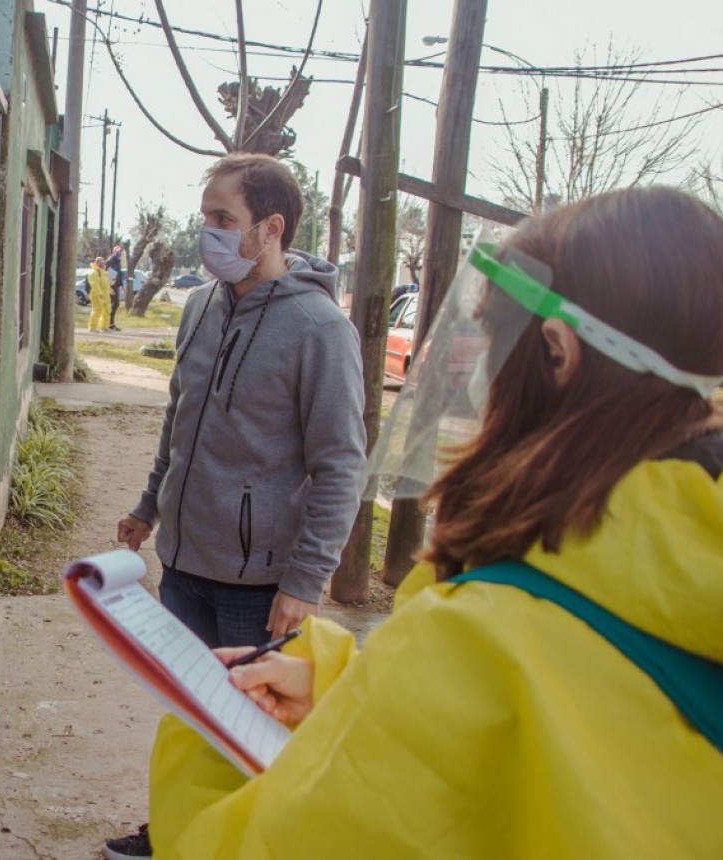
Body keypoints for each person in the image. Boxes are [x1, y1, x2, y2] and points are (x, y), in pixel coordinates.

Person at [107, 186, 723, 859]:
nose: (477, 371)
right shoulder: (667, 573)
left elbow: (240, 847)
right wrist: (355, 689)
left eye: (491, 338)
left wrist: (203, 737)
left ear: (556, 352)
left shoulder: (480, 636)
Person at [117, 153, 366, 648]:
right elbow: (180, 414)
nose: (208, 232)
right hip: (181, 569)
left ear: (272, 228)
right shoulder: (200, 303)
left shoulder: (322, 330)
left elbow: (340, 466)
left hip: (259, 593)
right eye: (206, 218)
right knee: (190, 718)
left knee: (248, 723)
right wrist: (149, 507)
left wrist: (305, 582)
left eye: (224, 220)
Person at [86, 256, 111, 333]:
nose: (103, 263)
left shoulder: (104, 272)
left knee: (107, 310)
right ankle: (92, 327)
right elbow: (94, 284)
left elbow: (106, 283)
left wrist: (110, 288)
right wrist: (100, 293)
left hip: (105, 294)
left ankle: (104, 327)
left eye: (104, 262)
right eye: (101, 262)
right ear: (96, 263)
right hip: (97, 294)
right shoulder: (94, 272)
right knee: (97, 310)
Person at [106, 244, 124, 331]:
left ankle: (111, 324)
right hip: (111, 287)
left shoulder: (117, 262)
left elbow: (118, 274)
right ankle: (109, 324)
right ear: (115, 252)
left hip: (116, 286)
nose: (120, 254)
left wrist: (121, 285)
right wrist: (109, 287)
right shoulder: (110, 261)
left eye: (121, 252)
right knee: (114, 304)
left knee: (115, 304)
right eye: (119, 252)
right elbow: (108, 275)